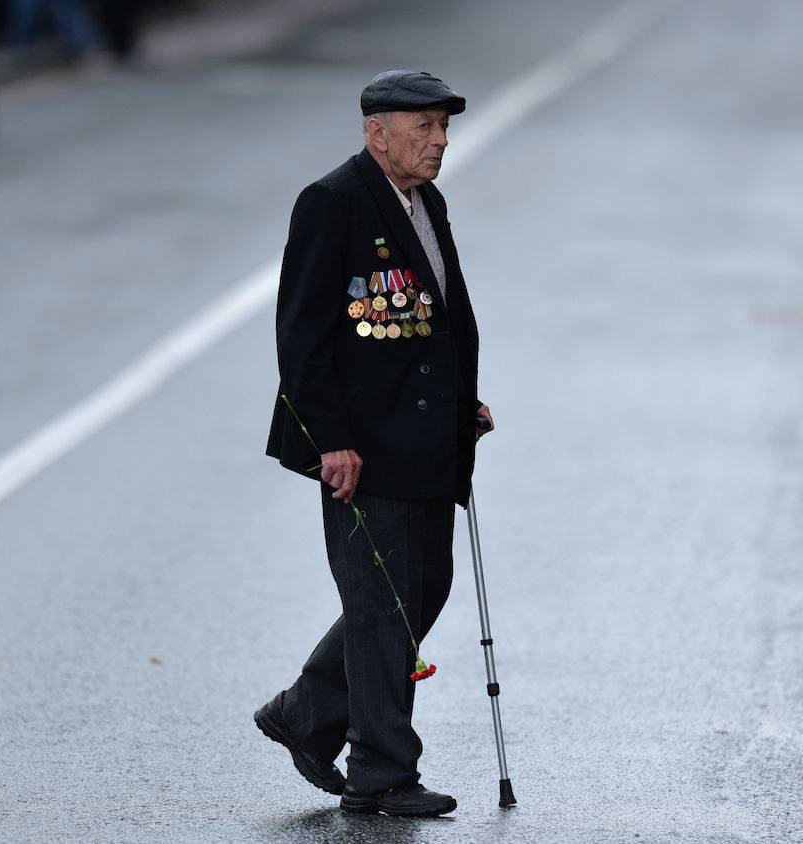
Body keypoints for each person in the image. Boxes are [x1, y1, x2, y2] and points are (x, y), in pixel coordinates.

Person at [257, 70, 494, 818]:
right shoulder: (332, 202)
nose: (440, 141)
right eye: (424, 127)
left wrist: (461, 403)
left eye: (444, 128)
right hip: (363, 449)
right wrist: (330, 440)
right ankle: (380, 772)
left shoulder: (427, 203)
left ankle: (305, 714)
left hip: (425, 439)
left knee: (420, 592)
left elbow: (437, 321)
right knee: (382, 607)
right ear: (376, 133)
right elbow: (301, 337)